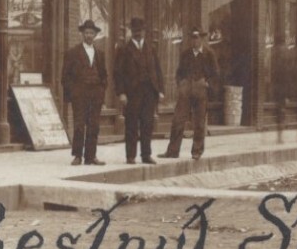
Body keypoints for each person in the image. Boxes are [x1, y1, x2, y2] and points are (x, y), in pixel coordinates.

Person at [162, 28, 219, 159]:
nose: (194, 41)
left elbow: (216, 73)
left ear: (202, 39)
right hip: (186, 91)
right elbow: (179, 72)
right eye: (192, 38)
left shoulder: (209, 54)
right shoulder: (186, 54)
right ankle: (172, 151)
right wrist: (181, 84)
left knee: (199, 123)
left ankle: (197, 152)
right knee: (178, 120)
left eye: (197, 38)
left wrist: (207, 84)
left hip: (201, 91)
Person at [115, 17, 164, 164]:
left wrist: (160, 90)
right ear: (131, 31)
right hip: (132, 93)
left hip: (149, 92)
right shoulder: (124, 49)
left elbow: (157, 70)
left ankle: (146, 155)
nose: (138, 33)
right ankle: (130, 156)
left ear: (144, 32)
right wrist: (121, 93)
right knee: (131, 124)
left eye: (141, 30)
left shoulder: (151, 49)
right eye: (135, 30)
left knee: (147, 124)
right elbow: (118, 73)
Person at [61, 18, 108, 166]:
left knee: (94, 125)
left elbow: (104, 75)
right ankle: (77, 156)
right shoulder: (73, 53)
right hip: (79, 95)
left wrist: (101, 92)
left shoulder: (100, 54)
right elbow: (65, 76)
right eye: (86, 33)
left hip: (95, 95)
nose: (89, 35)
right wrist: (72, 94)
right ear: (82, 34)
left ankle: (91, 156)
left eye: (91, 33)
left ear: (95, 35)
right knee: (79, 125)